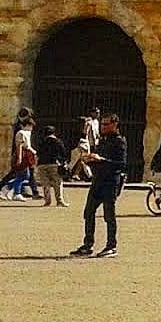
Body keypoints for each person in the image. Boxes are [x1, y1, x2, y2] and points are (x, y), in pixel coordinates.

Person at [71, 112, 126, 259]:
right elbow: (98, 158)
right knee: (88, 212)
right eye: (102, 124)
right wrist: (90, 159)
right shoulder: (103, 140)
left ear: (114, 125)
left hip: (110, 182)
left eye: (106, 124)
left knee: (109, 215)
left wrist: (101, 159)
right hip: (98, 181)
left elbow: (121, 164)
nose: (103, 127)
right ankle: (87, 244)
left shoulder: (119, 142)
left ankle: (111, 246)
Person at [0, 107, 36, 200]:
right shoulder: (20, 127)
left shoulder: (23, 126)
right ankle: (5, 188)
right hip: (20, 153)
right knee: (18, 174)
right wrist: (19, 156)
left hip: (24, 153)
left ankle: (19, 190)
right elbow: (19, 144)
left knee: (25, 174)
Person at [36, 125, 68, 208]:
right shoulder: (58, 141)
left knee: (45, 184)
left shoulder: (41, 141)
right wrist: (63, 162)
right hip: (54, 164)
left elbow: (38, 153)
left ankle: (47, 201)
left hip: (42, 165)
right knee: (57, 183)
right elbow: (63, 153)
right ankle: (59, 201)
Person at [67, 109, 100, 181]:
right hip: (83, 143)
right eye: (96, 113)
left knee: (81, 160)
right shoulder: (88, 122)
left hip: (87, 143)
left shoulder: (96, 122)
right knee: (77, 160)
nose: (98, 114)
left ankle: (85, 175)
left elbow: (95, 134)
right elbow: (85, 132)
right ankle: (89, 176)